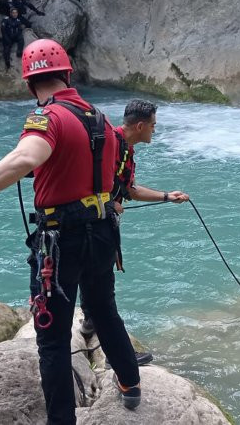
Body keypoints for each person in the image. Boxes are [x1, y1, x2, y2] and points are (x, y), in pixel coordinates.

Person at [0, 38, 142, 423]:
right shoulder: (101, 119)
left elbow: (27, 156)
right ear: (67, 75)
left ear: (30, 83)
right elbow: (98, 173)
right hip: (102, 232)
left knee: (53, 339)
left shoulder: (47, 117)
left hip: (61, 240)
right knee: (103, 309)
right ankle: (130, 383)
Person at [78, 99, 189, 356]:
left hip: (99, 223)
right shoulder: (109, 143)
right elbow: (87, 182)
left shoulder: (125, 148)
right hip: (92, 224)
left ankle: (90, 322)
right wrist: (108, 203)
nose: (154, 130)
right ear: (140, 126)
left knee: (93, 277)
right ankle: (115, 353)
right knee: (103, 289)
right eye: (153, 125)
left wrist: (166, 196)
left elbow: (130, 190)